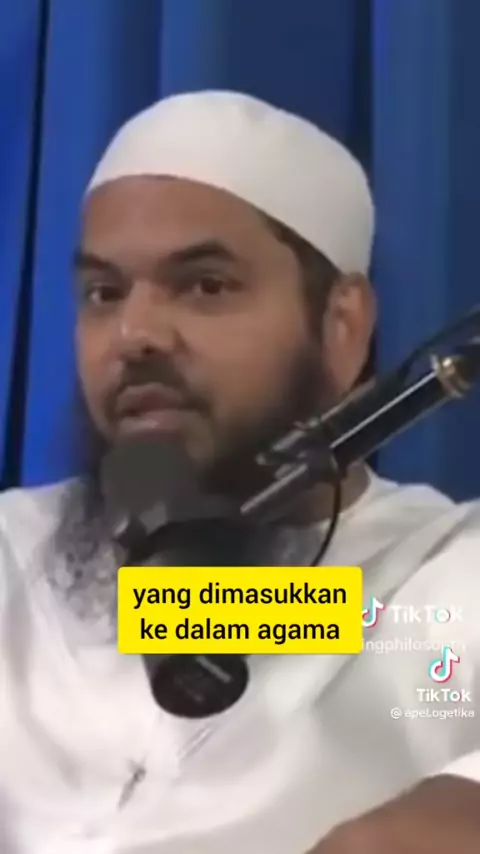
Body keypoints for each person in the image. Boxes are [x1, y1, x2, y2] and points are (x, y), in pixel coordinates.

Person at [0, 90, 479, 854]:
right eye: (104, 293)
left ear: (343, 324)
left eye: (206, 286)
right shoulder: (16, 549)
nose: (136, 333)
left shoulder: (447, 577)